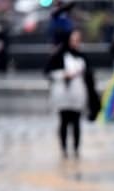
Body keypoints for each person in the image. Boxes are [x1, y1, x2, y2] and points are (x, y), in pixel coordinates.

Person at [44, 29, 99, 159]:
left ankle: (76, 149)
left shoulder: (82, 57)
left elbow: (89, 78)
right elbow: (49, 72)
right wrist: (64, 75)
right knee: (64, 121)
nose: (75, 43)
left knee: (76, 122)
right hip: (62, 94)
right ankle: (63, 149)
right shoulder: (58, 55)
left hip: (78, 94)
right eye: (73, 40)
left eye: (78, 40)